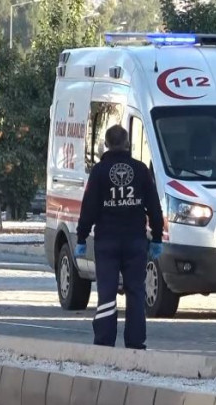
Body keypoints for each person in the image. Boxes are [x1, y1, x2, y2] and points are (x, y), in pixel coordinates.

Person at [75, 125, 165, 350]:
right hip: (135, 241)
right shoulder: (141, 170)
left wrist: (81, 238)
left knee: (107, 292)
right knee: (136, 291)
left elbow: (89, 208)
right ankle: (135, 342)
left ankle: (105, 340)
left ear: (105, 145)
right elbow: (154, 207)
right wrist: (156, 238)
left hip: (107, 241)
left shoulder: (99, 172)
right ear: (128, 145)